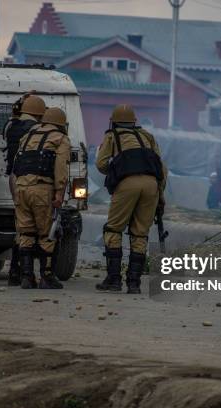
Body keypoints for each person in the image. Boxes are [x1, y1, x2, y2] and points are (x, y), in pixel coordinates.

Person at [95, 104, 166, 294]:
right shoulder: (147, 136)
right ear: (134, 121)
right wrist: (161, 195)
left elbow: (101, 164)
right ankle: (134, 283)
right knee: (140, 233)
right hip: (152, 185)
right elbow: (161, 167)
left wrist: (117, 168)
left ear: (114, 121)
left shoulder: (112, 136)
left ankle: (114, 279)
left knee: (113, 229)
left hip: (127, 184)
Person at [13, 107, 70, 290]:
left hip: (21, 189)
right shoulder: (60, 139)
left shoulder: (27, 136)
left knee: (26, 233)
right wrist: (60, 192)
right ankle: (46, 277)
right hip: (42, 189)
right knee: (47, 234)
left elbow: (16, 165)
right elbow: (61, 168)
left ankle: (26, 277)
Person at [4, 94, 46, 286]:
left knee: (20, 226)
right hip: (32, 178)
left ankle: (16, 271)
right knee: (37, 229)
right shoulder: (36, 129)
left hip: (14, 178)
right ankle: (32, 273)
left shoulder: (11, 126)